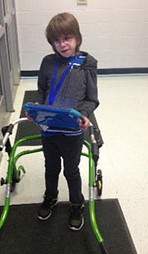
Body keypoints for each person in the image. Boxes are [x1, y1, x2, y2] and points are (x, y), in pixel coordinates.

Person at [31, 12, 99, 231]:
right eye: (56, 40)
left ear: (77, 37)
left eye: (67, 38)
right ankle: (51, 197)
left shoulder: (87, 65)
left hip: (72, 131)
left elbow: (92, 99)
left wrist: (84, 115)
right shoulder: (48, 62)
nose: (62, 44)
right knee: (51, 167)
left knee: (71, 170)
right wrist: (37, 108)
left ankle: (76, 204)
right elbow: (42, 91)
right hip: (49, 128)